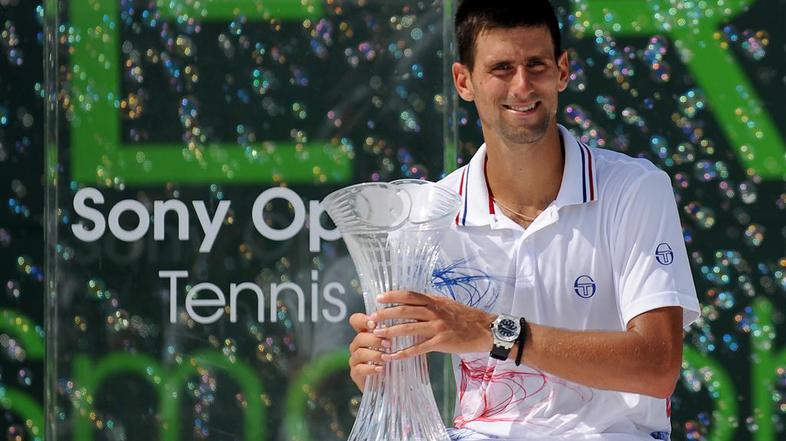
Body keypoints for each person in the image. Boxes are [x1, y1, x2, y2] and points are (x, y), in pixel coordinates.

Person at [348, 0, 700, 439]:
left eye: (536, 65)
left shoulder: (634, 188)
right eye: (501, 69)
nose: (522, 86)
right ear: (464, 81)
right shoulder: (426, 213)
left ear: (563, 71)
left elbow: (657, 366)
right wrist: (381, 377)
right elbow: (404, 400)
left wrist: (494, 333)